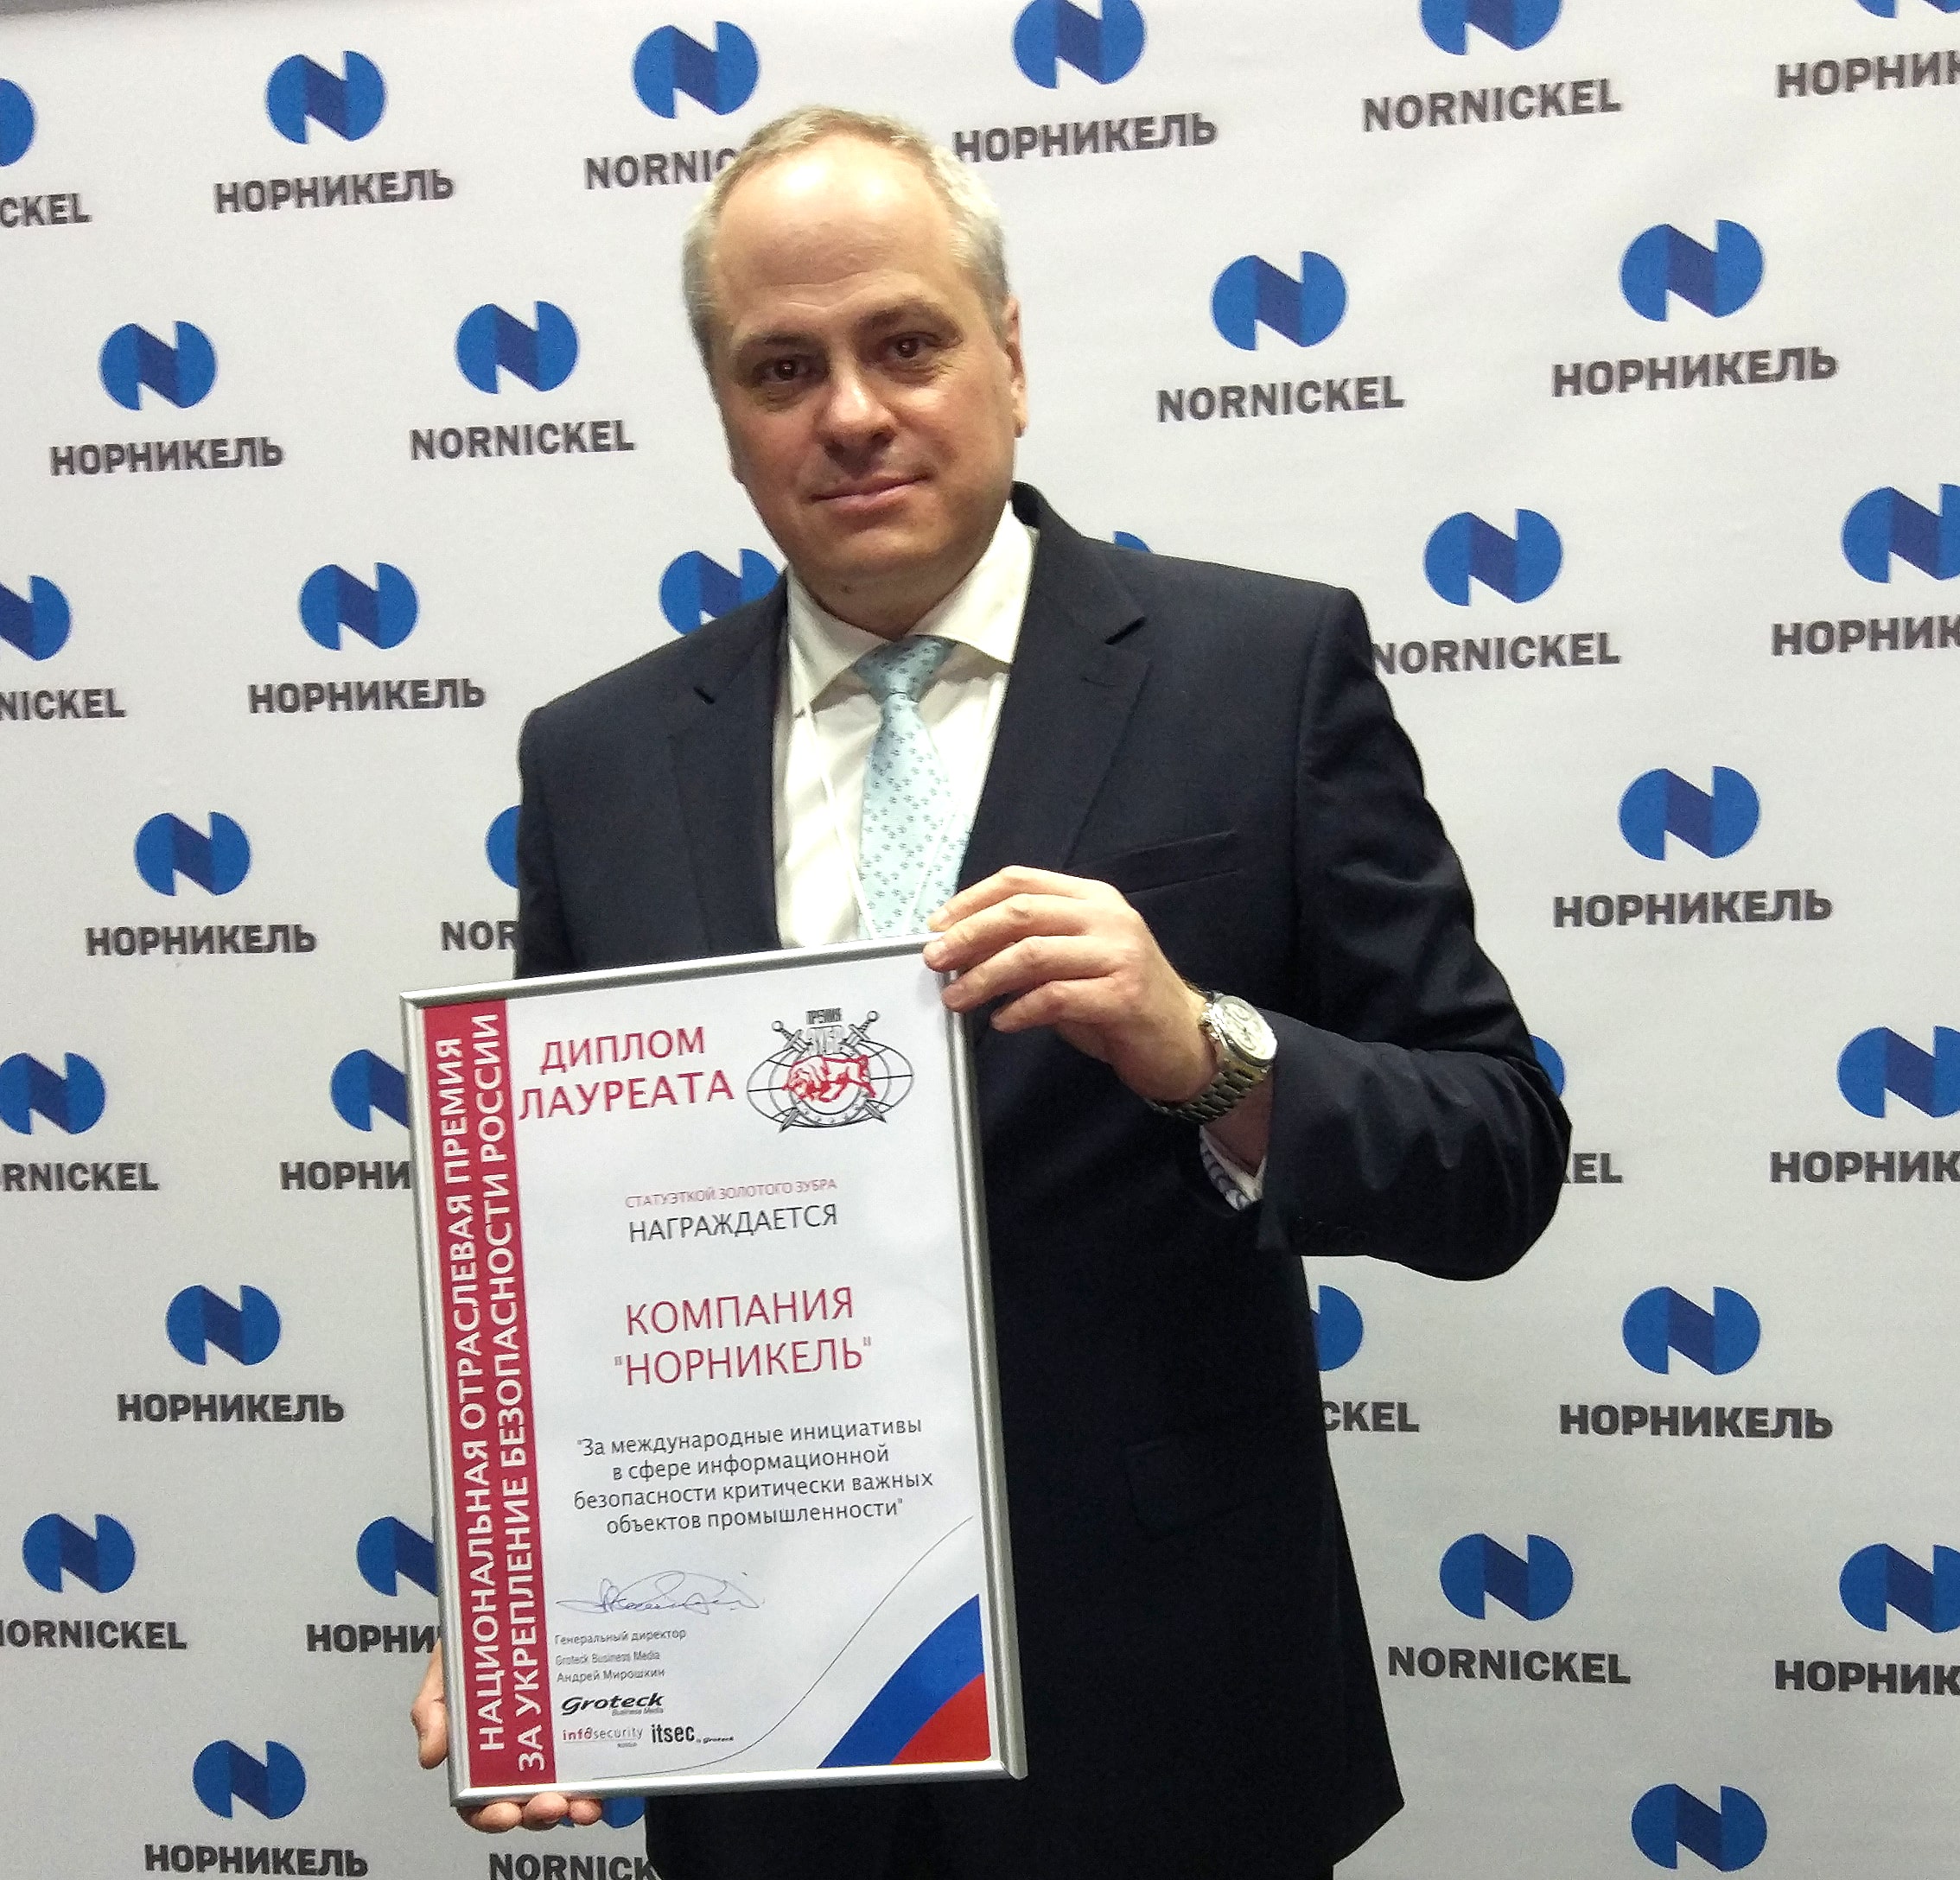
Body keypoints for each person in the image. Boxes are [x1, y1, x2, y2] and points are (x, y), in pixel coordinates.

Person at [411, 105, 1568, 1880]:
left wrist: (1206, 1050)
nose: (850, 412)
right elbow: (577, 1263)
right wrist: (535, 1608)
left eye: (906, 343)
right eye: (782, 367)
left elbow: (1495, 1154)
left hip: (1171, 1723)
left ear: (1010, 358)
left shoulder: (1259, 671)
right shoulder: (597, 760)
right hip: (772, 1744)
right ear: (724, 412)